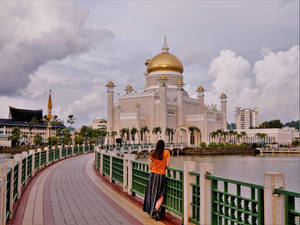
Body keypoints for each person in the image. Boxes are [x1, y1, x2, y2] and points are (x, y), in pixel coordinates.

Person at [143, 139, 170, 221]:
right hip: (161, 175)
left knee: (152, 193)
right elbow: (167, 165)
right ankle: (155, 209)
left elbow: (150, 166)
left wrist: (155, 167)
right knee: (161, 194)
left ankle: (152, 210)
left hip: (153, 175)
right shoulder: (167, 153)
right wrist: (162, 166)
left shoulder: (153, 154)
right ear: (164, 146)